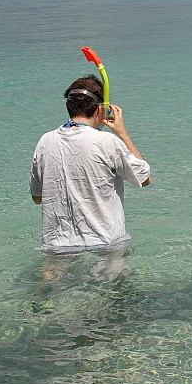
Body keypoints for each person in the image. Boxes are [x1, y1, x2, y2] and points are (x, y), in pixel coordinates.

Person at [29, 74, 151, 254]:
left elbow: (37, 198)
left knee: (51, 271)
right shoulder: (106, 141)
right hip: (106, 242)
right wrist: (122, 133)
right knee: (115, 271)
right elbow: (144, 178)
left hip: (57, 244)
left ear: (68, 106)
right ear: (100, 109)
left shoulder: (45, 141)